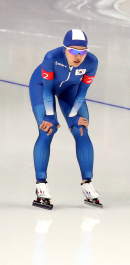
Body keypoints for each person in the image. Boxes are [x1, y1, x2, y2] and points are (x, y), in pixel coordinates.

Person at [29, 29, 102, 209]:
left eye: (82, 52)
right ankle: (41, 185)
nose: (78, 56)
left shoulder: (92, 62)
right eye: (73, 51)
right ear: (65, 49)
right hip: (41, 87)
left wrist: (75, 116)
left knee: (81, 130)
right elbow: (47, 90)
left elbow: (83, 92)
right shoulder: (51, 57)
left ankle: (87, 184)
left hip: (70, 90)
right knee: (47, 129)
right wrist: (49, 116)